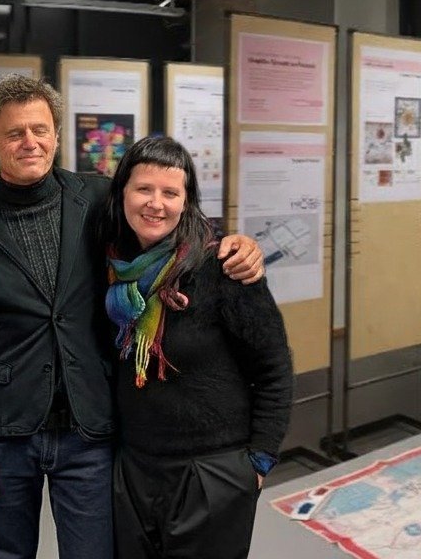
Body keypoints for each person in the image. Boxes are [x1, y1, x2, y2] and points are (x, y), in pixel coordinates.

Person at [0, 75, 264, 559]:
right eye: (14, 133)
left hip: (88, 423)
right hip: (8, 429)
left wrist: (233, 243)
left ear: (55, 135)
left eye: (40, 129)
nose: (29, 142)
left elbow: (172, 230)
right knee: (8, 552)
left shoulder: (97, 198)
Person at [103, 137, 291, 559]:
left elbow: (274, 367)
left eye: (170, 193)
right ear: (122, 193)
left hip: (212, 471)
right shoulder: (115, 267)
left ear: (186, 202)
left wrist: (258, 462)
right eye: (143, 189)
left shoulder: (222, 266)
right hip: (134, 467)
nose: (156, 203)